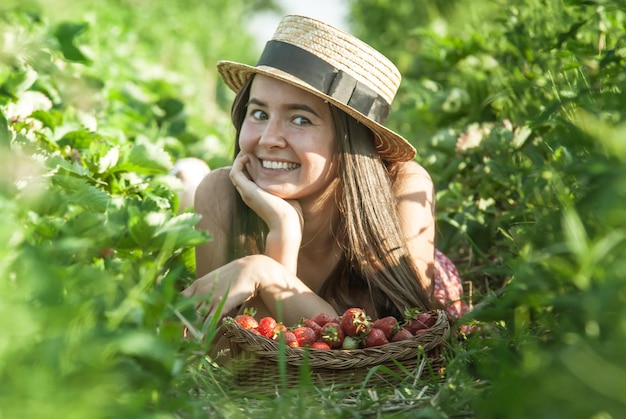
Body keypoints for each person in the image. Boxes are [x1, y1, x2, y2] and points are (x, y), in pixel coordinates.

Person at [182, 15, 470, 345]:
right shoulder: (221, 195)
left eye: (300, 119)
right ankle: (186, 179)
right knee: (196, 183)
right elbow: (231, 351)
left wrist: (267, 273)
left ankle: (185, 177)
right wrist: (283, 231)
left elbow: (383, 342)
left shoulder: (404, 190)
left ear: (350, 142)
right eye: (259, 113)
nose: (269, 138)